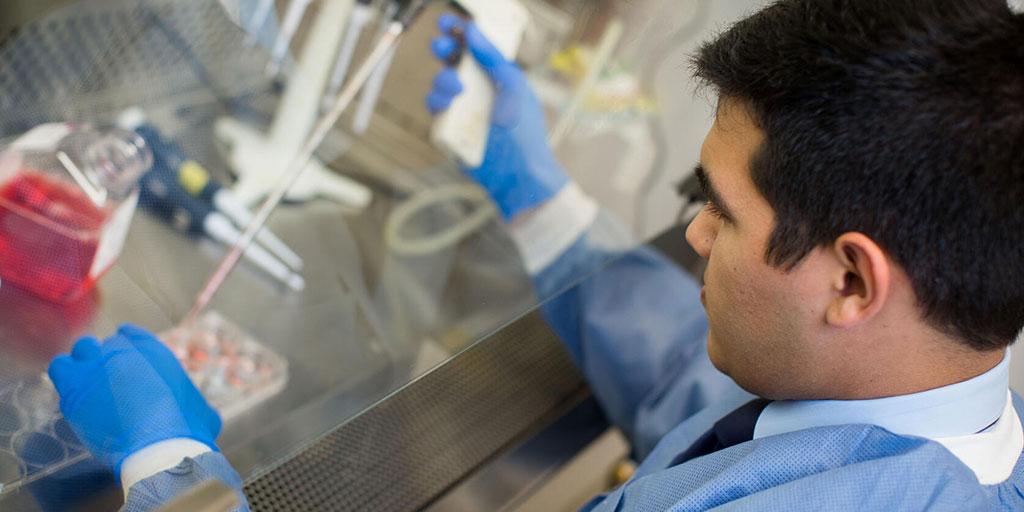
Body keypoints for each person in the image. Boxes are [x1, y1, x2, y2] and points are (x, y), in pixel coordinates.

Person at [46, 0, 1024, 510]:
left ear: (851, 279)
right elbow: (696, 392)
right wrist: (537, 195)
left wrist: (175, 470)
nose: (692, 234)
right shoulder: (921, 404)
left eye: (720, 212)